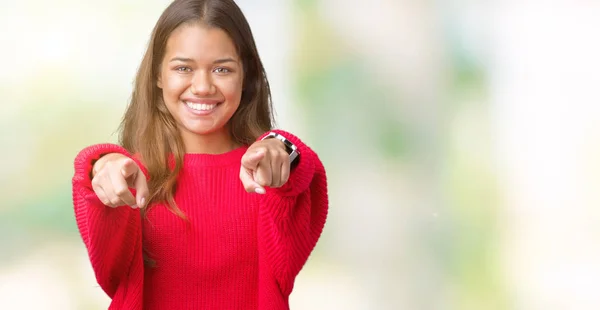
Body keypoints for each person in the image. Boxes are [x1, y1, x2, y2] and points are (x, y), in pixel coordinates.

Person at [71, 0, 328, 309]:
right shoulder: (129, 178)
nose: (203, 86)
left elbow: (300, 173)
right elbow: (109, 272)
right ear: (157, 76)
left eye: (222, 69)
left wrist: (282, 147)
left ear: (245, 76)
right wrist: (101, 163)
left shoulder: (268, 178)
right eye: (183, 68)